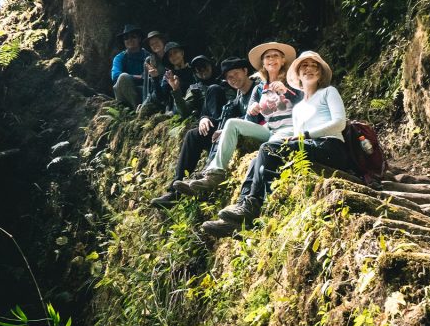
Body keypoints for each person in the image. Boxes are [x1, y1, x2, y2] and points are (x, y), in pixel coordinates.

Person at [202, 51, 352, 238]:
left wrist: (305, 135)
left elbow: (340, 123)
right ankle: (242, 209)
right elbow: (296, 136)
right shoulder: (297, 108)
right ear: (297, 74)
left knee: (268, 148)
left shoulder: (328, 92)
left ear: (321, 73)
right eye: (304, 67)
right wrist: (299, 138)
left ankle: (252, 207)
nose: (309, 70)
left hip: (332, 147)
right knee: (256, 160)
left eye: (315, 67)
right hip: (310, 147)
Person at [174, 41, 300, 196]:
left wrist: (286, 91)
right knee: (231, 123)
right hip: (269, 129)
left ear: (283, 60)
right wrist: (251, 112)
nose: (271, 59)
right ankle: (214, 173)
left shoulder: (292, 81)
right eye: (267, 56)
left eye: (275, 56)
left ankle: (250, 198)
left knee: (266, 149)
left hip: (289, 128)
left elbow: (305, 102)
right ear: (263, 63)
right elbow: (248, 120)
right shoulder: (260, 89)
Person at [150, 57, 257, 208]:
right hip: (225, 127)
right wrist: (204, 118)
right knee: (193, 135)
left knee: (214, 91)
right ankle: (175, 191)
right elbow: (186, 111)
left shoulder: (256, 88)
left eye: (236, 74)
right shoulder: (236, 93)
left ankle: (208, 173)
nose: (233, 79)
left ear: (245, 71)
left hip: (245, 130)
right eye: (229, 77)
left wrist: (225, 126)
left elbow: (253, 116)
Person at [110, 24, 149, 107]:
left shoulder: (147, 56)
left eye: (133, 36)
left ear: (139, 39)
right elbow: (115, 76)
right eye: (126, 38)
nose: (130, 40)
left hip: (144, 93)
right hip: (124, 96)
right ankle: (138, 111)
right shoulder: (119, 58)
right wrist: (138, 77)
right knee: (123, 77)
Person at [159, 42, 196, 115]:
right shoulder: (169, 76)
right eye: (170, 55)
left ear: (182, 53)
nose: (173, 56)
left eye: (175, 52)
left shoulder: (193, 69)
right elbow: (162, 97)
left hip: (194, 101)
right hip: (177, 108)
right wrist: (155, 78)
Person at [140, 30, 169, 112]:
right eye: (152, 44)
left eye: (157, 42)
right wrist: (144, 101)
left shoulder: (171, 54)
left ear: (162, 41)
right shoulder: (149, 60)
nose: (155, 45)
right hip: (157, 90)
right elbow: (146, 84)